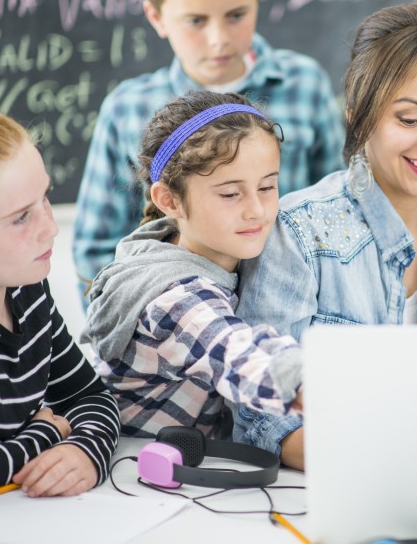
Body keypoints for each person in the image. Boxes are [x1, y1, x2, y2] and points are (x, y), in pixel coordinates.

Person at [234, 3, 417, 469]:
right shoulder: (299, 230)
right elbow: (260, 414)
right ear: (358, 113)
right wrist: (379, 462)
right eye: (410, 119)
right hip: (328, 496)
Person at [72, 0, 344, 304]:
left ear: (257, 0)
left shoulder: (305, 84)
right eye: (196, 20)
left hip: (289, 314)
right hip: (176, 331)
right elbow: (97, 250)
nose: (219, 38)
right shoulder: (126, 109)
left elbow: (334, 212)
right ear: (156, 16)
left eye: (236, 15)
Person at [79, 91, 302, 453]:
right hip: (132, 482)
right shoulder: (175, 298)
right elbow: (235, 351)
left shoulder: (176, 243)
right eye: (230, 194)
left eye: (267, 187)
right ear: (169, 200)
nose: (257, 210)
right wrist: (314, 381)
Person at [0, 102, 120, 501]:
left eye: (44, 198)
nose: (49, 228)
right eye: (20, 217)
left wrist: (84, 449)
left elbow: (88, 396)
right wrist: (45, 435)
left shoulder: (24, 288)